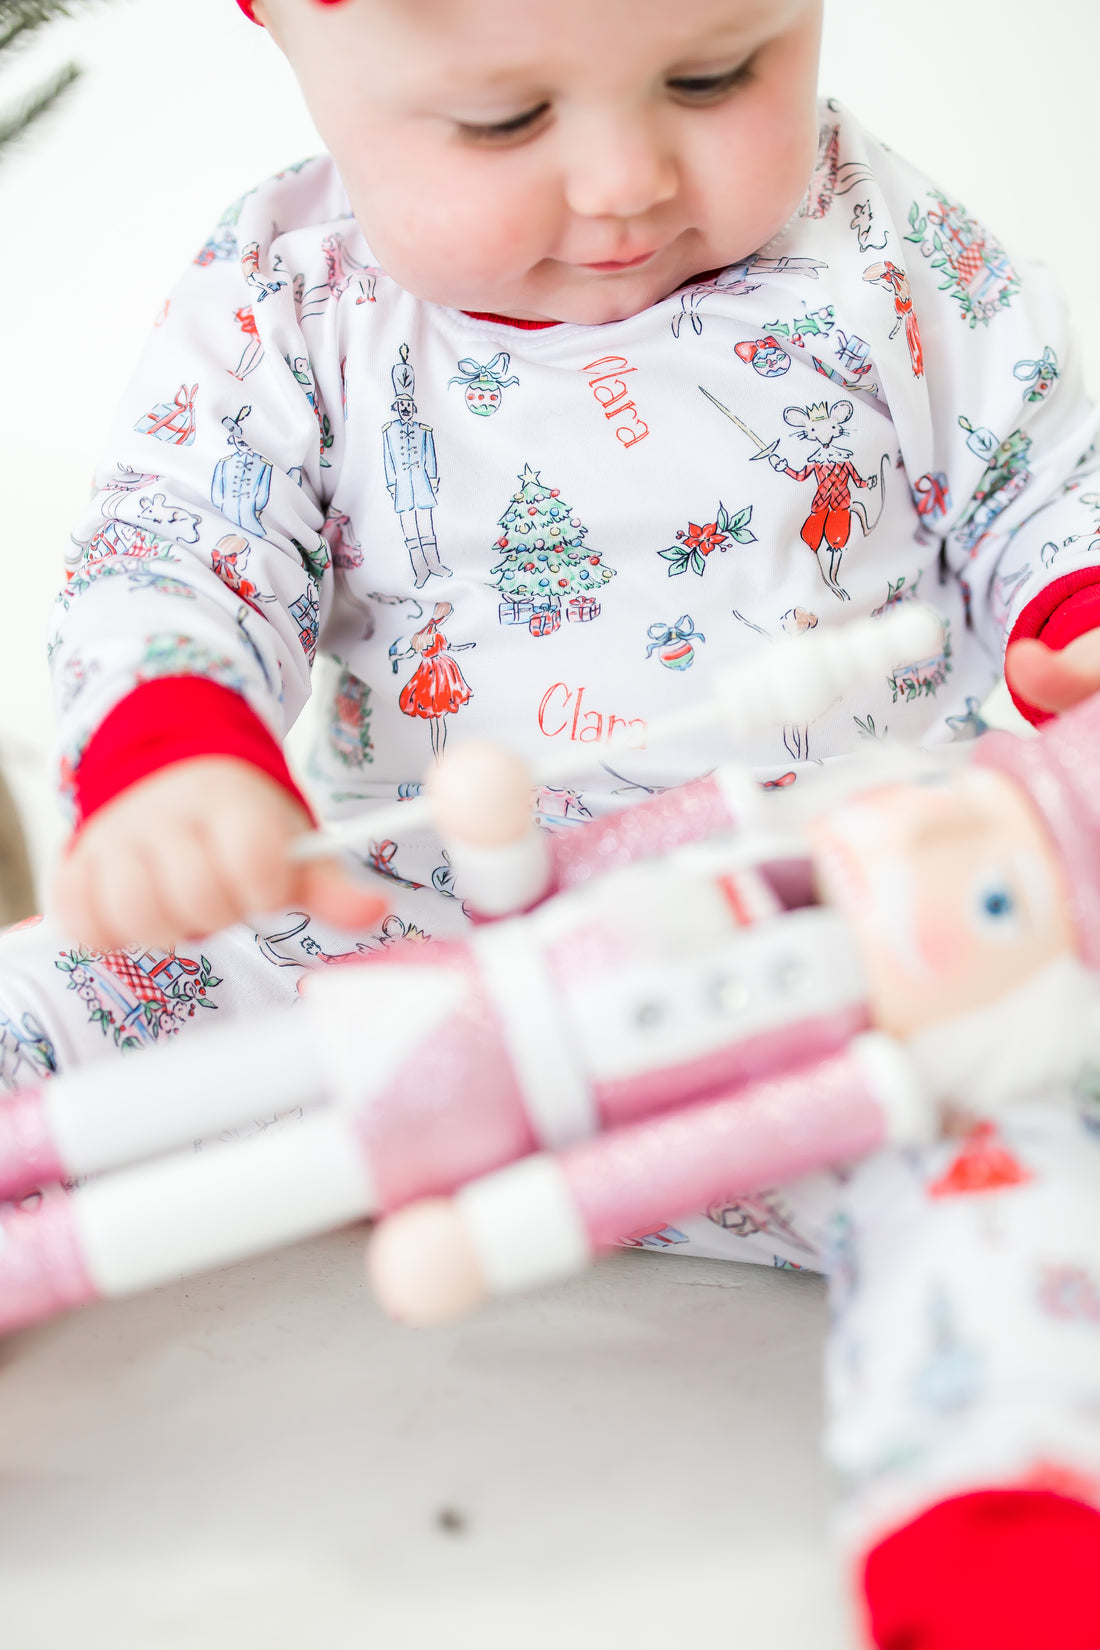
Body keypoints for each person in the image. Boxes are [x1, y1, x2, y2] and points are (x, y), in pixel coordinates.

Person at [9, 0, 1100, 1640]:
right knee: (65, 981)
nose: (623, 180)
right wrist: (174, 754)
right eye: (507, 120)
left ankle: (992, 1519)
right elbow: (175, 544)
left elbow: (1047, 480)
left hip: (840, 950)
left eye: (718, 75)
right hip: (422, 947)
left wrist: (1074, 615)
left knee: (1018, 1132)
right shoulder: (290, 292)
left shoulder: (891, 245)